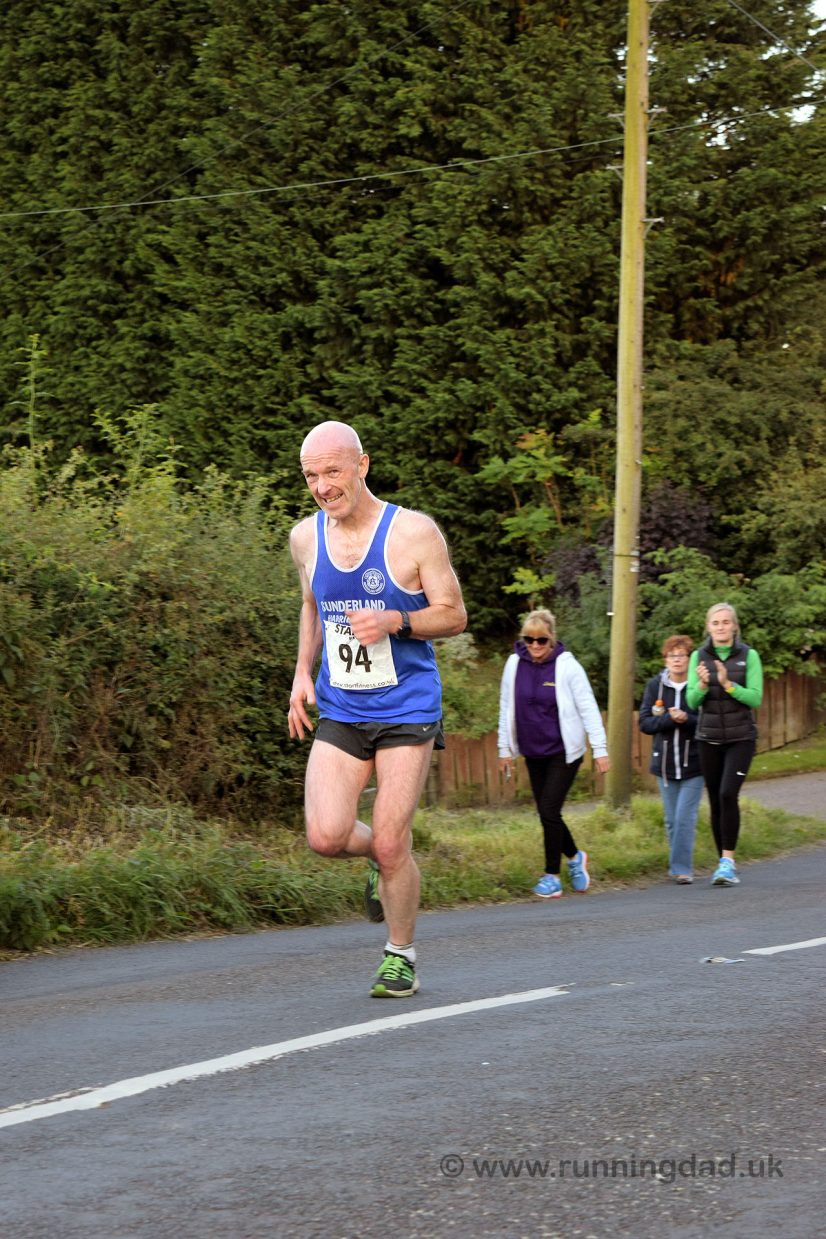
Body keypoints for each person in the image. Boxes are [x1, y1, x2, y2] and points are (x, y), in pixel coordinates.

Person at [287, 420, 467, 997]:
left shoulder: (414, 534)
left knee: (394, 841)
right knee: (325, 835)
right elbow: (313, 607)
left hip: (407, 707)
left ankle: (400, 955)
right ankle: (382, 862)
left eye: (332, 472)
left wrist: (396, 620)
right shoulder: (305, 538)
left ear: (362, 465)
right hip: (342, 704)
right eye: (311, 476)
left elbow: (454, 614)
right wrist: (300, 674)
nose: (321, 486)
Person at [497, 609, 610, 899]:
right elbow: (506, 707)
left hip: (563, 751)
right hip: (532, 751)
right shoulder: (513, 664)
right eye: (529, 639)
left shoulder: (567, 667)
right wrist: (504, 749)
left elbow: (588, 708)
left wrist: (600, 749)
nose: (534, 646)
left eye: (541, 640)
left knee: (548, 811)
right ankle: (575, 857)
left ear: (552, 639)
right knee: (549, 813)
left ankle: (552, 876)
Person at [686, 602, 764, 887]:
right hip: (708, 738)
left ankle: (728, 861)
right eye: (716, 623)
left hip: (741, 737)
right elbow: (691, 702)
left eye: (726, 622)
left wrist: (728, 684)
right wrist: (703, 686)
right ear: (708, 627)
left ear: (734, 626)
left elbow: (755, 699)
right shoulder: (698, 656)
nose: (721, 627)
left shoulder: (749, 656)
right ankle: (723, 863)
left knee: (729, 794)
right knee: (716, 799)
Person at [639, 635, 704, 884]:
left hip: (694, 765)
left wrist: (686, 719)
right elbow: (645, 722)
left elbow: (706, 723)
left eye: (682, 655)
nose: (677, 660)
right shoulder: (656, 686)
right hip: (664, 766)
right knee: (671, 819)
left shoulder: (699, 686)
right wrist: (668, 719)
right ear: (665, 659)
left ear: (689, 659)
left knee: (684, 817)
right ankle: (678, 865)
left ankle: (681, 868)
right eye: (672, 655)